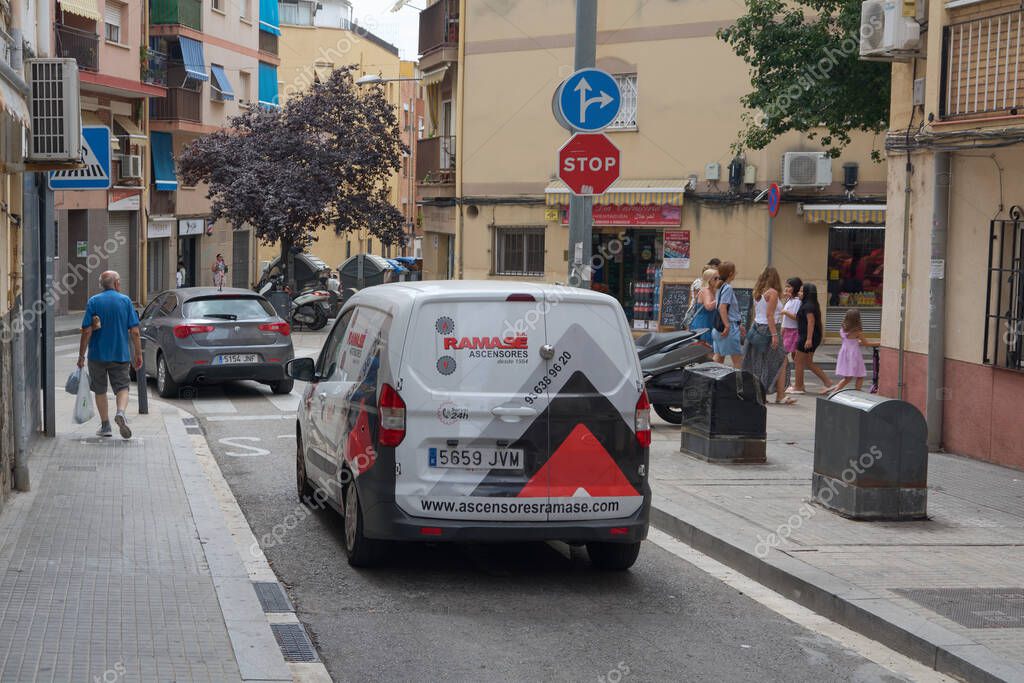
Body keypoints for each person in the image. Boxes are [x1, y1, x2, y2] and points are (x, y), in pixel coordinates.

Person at [78, 271, 142, 439]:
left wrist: (81, 356)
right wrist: (138, 353)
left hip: (97, 354)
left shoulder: (93, 301)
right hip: (120, 354)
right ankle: (120, 412)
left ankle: (105, 426)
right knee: (122, 387)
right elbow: (135, 331)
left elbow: (86, 331)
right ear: (117, 283)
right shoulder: (125, 301)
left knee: (100, 389)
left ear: (102, 285)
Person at [742, 266, 794, 404]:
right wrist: (774, 335)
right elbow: (770, 314)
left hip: (757, 327)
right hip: (770, 329)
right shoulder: (773, 293)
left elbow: (762, 310)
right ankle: (780, 396)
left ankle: (760, 392)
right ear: (776, 278)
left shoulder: (758, 292)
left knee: (760, 361)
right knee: (782, 360)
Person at [787, 282, 832, 394]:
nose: (799, 293)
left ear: (807, 293)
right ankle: (828, 383)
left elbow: (811, 322)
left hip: (807, 337)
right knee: (808, 362)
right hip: (809, 336)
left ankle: (798, 387)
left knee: (798, 360)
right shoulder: (808, 304)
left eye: (802, 291)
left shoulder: (808, 306)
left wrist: (808, 339)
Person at [824, 308, 880, 394]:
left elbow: (850, 341)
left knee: (847, 378)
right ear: (858, 319)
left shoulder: (843, 329)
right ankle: (856, 393)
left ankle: (833, 392)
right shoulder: (858, 331)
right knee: (860, 375)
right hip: (854, 354)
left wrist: (857, 342)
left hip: (844, 353)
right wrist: (881, 343)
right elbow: (866, 344)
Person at [711, 261, 743, 367]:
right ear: (730, 274)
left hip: (718, 328)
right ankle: (739, 383)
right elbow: (722, 307)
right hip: (728, 328)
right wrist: (727, 325)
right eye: (735, 272)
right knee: (737, 360)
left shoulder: (720, 286)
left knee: (718, 358)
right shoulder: (728, 287)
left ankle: (713, 381)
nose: (736, 273)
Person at [689, 267, 719, 346]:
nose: (718, 280)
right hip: (703, 324)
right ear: (709, 280)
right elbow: (708, 306)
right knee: (705, 349)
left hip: (708, 322)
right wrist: (720, 298)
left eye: (719, 277)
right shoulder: (706, 291)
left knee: (708, 350)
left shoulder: (713, 290)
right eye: (715, 278)